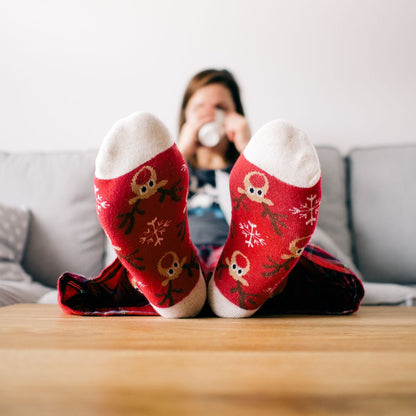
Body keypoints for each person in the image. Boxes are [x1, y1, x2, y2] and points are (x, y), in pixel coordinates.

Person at [57, 69, 364, 318]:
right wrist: (180, 152)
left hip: (243, 255)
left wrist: (248, 147)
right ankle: (187, 290)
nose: (210, 116)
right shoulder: (164, 171)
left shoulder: (258, 173)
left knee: (280, 259)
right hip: (171, 255)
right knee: (146, 260)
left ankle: (229, 291)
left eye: (221, 109)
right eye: (200, 108)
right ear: (184, 119)